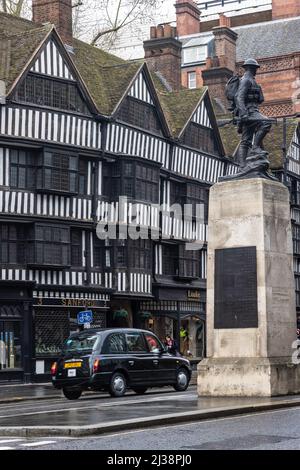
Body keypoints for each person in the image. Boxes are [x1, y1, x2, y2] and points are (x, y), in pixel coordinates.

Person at [234, 59, 273, 168]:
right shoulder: (246, 80)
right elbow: (239, 97)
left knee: (246, 139)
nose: (256, 70)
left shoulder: (253, 81)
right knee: (266, 122)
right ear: (251, 68)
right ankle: (255, 147)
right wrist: (244, 113)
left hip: (254, 111)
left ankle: (243, 165)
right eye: (255, 68)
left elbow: (260, 99)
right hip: (249, 112)